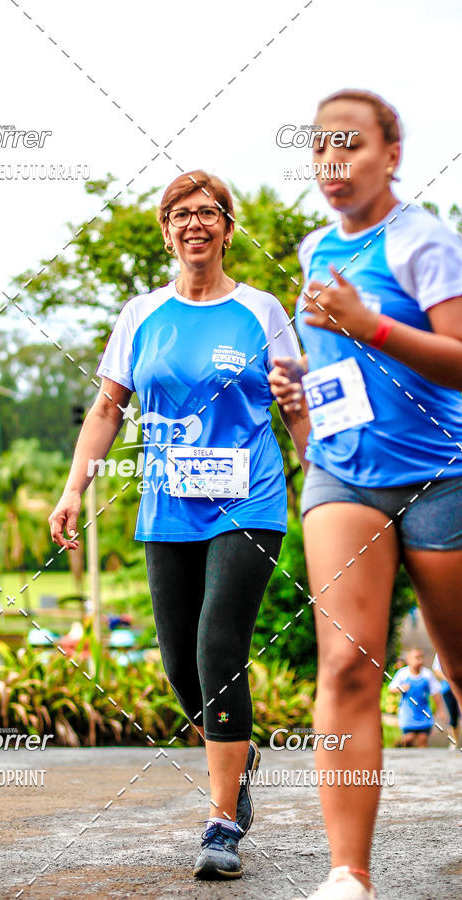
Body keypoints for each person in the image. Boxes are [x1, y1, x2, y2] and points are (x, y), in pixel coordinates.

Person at [49, 170, 310, 880]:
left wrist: (323, 481)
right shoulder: (141, 315)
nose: (195, 223)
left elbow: (294, 404)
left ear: (228, 227)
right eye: (180, 214)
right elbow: (107, 409)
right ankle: (239, 758)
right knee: (179, 668)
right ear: (166, 231)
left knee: (218, 646)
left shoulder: (261, 310)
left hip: (249, 501)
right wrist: (73, 490)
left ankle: (223, 821)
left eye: (208, 212)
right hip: (167, 506)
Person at [269, 89, 462, 900]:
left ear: (392, 154)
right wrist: (300, 384)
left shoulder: (425, 241)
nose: (331, 161)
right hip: (342, 473)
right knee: (346, 664)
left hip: (441, 475)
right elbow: (342, 363)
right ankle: (349, 874)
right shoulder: (316, 248)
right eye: (319, 147)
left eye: (349, 144)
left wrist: (370, 326)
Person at [388, 648, 447, 747]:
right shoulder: (403, 674)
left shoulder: (427, 675)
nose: (420, 660)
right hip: (408, 714)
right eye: (416, 658)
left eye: (421, 657)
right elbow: (391, 689)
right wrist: (401, 688)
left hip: (424, 714)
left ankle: (422, 757)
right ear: (408, 660)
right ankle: (400, 747)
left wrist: (441, 711)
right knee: (409, 739)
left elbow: (436, 693)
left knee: (422, 739)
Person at [433, 652, 461, 749]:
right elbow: (436, 669)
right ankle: (454, 742)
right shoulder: (441, 651)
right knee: (453, 714)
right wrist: (450, 679)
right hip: (448, 687)